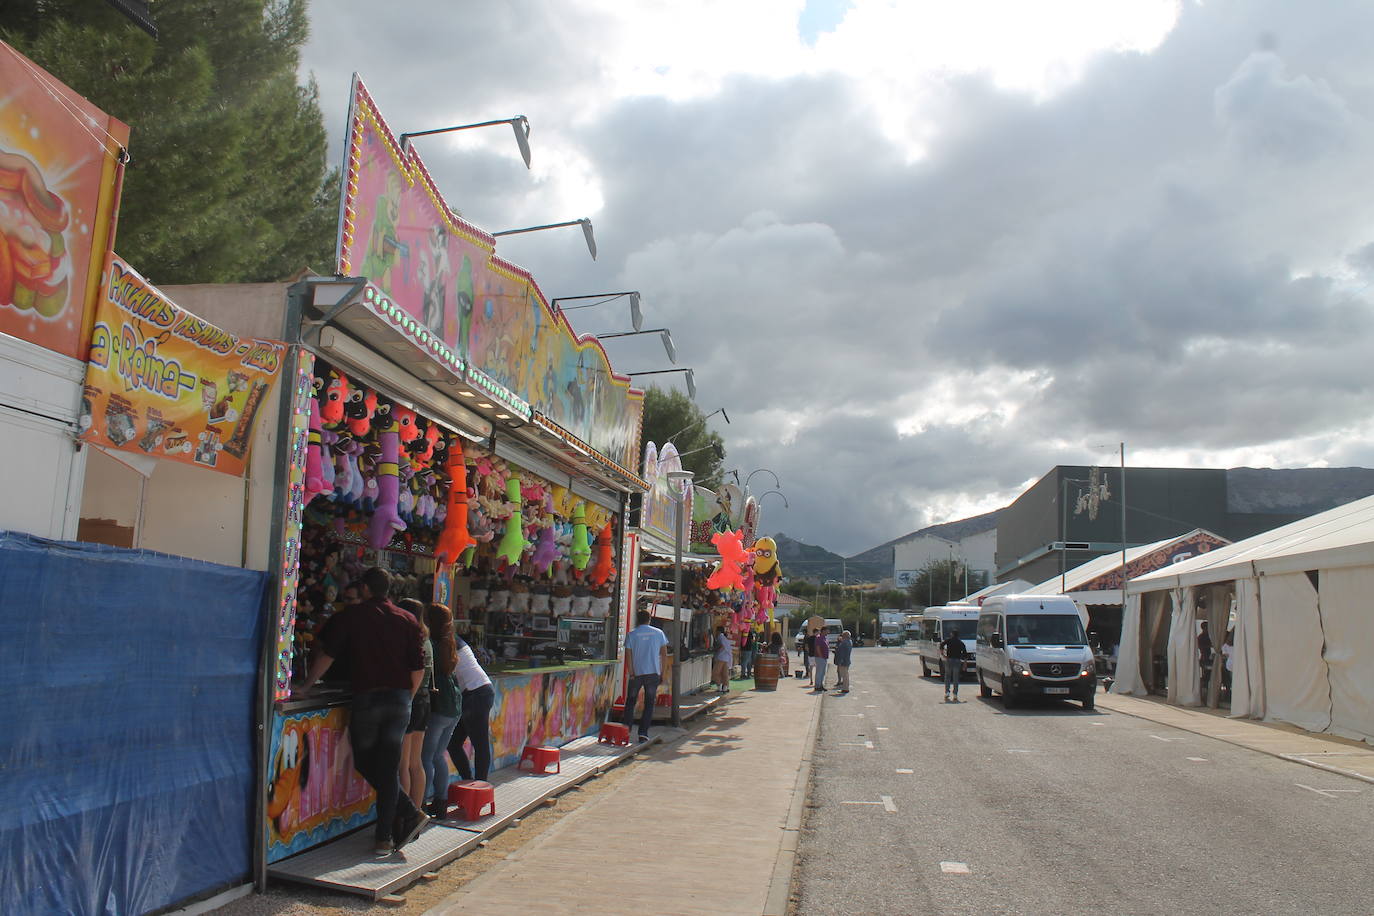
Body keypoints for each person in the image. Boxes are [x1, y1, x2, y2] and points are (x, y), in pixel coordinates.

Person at [303, 567, 428, 855]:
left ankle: (396, 825)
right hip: (399, 700)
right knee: (387, 767)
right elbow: (417, 667)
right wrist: (406, 696)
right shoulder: (408, 619)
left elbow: (329, 654)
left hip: (367, 698)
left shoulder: (353, 617)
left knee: (368, 763)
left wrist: (308, 685)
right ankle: (391, 830)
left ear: (366, 590)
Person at [422, 603, 461, 819]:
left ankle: (421, 802)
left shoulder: (431, 644)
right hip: (453, 705)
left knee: (426, 757)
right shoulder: (449, 642)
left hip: (439, 706)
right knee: (438, 756)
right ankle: (441, 800)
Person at [396, 598, 432, 810]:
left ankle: (405, 815)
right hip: (425, 700)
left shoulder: (411, 638)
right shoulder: (426, 639)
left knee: (403, 765)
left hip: (412, 698)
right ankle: (417, 812)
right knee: (415, 763)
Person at [447, 625, 495, 782]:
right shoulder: (453, 639)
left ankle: (480, 785)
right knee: (454, 744)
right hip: (475, 692)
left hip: (476, 692)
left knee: (479, 743)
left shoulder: (448, 641)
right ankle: (469, 781)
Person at [623, 610, 669, 741]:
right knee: (649, 703)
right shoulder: (659, 633)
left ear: (637, 619)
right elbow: (664, 654)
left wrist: (631, 672)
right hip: (653, 673)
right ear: (649, 619)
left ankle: (626, 731)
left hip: (636, 674)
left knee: (631, 702)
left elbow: (628, 656)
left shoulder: (631, 635)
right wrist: (662, 672)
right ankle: (643, 733)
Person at [940, 626, 967, 702]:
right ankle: (955, 694)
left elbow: (942, 645)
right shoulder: (960, 642)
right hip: (957, 661)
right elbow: (965, 653)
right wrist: (965, 663)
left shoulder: (949, 640)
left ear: (952, 634)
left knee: (947, 676)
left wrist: (942, 654)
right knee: (955, 678)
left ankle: (947, 692)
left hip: (949, 660)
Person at [712, 626, 733, 693]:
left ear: (718, 631)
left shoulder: (720, 637)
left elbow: (722, 646)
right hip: (726, 658)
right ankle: (725, 688)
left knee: (715, 673)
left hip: (721, 657)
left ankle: (719, 687)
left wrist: (716, 650)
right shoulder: (724, 638)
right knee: (724, 674)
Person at [811, 628, 829, 693]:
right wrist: (821, 655)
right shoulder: (819, 638)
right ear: (823, 631)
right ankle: (817, 686)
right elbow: (818, 647)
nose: (828, 632)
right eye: (827, 631)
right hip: (820, 657)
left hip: (824, 658)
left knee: (823, 672)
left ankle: (821, 685)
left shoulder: (825, 638)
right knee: (819, 672)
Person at [1198, 621, 1213, 690]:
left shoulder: (1210, 636)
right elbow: (1201, 647)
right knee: (1206, 675)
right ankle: (1205, 689)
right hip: (1204, 658)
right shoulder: (1201, 637)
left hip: (1209, 658)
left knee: (1208, 674)